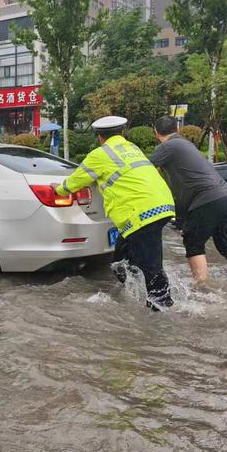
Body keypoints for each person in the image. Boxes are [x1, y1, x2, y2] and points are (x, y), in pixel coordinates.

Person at [53, 116, 176, 310]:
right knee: (120, 260)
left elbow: (77, 180)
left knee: (151, 264)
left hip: (142, 213)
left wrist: (58, 190)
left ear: (100, 138)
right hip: (160, 205)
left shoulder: (100, 155)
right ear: (123, 133)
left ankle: (162, 310)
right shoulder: (132, 148)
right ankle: (134, 293)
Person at [150, 116, 227, 283]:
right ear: (177, 129)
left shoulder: (167, 147)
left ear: (156, 133)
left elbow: (143, 169)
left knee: (193, 242)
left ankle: (201, 288)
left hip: (208, 200)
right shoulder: (185, 144)